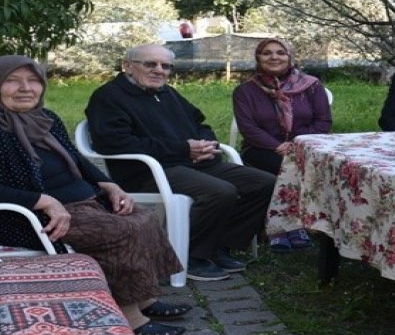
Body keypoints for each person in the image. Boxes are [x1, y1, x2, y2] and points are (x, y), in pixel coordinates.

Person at [0, 55, 189, 335]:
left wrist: (109, 184)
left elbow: (75, 158)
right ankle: (132, 319)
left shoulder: (43, 118)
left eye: (33, 80)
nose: (25, 88)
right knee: (117, 231)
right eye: (12, 81)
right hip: (25, 217)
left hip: (77, 203)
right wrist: (43, 201)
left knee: (142, 217)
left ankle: (144, 298)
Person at [86, 44, 275, 282]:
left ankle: (220, 246)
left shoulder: (167, 93)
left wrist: (207, 144)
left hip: (192, 163)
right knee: (219, 192)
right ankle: (191, 256)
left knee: (265, 183)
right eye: (150, 64)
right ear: (128, 66)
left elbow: (200, 122)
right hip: (149, 171)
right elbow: (115, 143)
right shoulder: (109, 97)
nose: (159, 70)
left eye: (166, 66)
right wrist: (183, 149)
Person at [232, 38, 332, 252]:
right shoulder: (245, 91)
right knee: (284, 164)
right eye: (267, 53)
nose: (274, 57)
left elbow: (323, 121)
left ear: (290, 57)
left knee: (301, 163)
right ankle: (282, 228)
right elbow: (248, 128)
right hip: (262, 149)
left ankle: (298, 225)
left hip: (306, 146)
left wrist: (297, 143)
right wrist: (278, 145)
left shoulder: (312, 85)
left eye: (280, 52)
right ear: (258, 58)